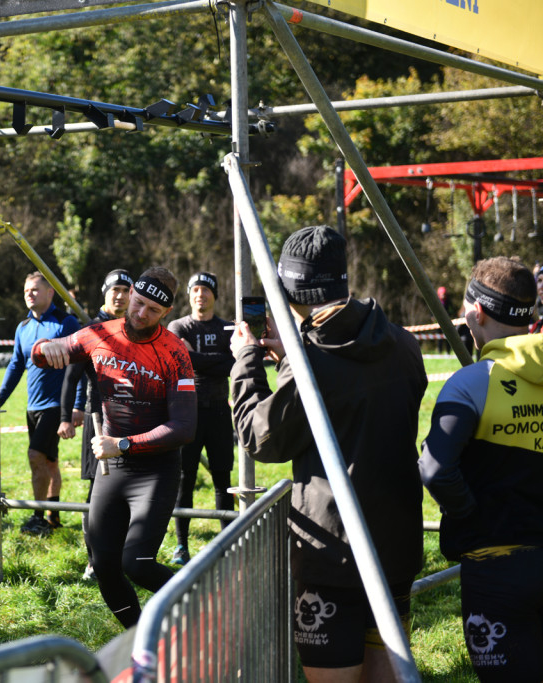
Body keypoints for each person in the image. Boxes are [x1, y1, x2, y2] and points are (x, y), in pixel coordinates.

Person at [230, 225, 426, 682]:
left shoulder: (311, 363)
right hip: (395, 541)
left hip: (331, 547)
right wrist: (291, 361)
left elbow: (260, 439)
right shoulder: (403, 343)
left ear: (288, 287)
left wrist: (247, 359)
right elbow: (354, 400)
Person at [34, 267, 196, 627]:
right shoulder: (98, 333)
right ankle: (140, 639)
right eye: (138, 303)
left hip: (155, 468)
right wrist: (47, 348)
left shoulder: (175, 352)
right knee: (105, 565)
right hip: (114, 470)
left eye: (153, 310)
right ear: (131, 296)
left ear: (166, 313)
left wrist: (122, 443)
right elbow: (43, 355)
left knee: (135, 562)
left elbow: (184, 428)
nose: (141, 314)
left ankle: (201, 603)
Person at [419, 257, 543, 682]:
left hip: (495, 570)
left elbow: (435, 470)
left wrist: (472, 515)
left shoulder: (471, 383)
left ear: (475, 312)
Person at [0, 272, 80, 536]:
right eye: (27, 290)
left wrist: (77, 406)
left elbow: (80, 363)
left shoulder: (66, 322)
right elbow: (16, 366)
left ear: (50, 293)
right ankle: (54, 515)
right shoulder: (23, 327)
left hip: (56, 406)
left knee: (35, 456)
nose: (29, 294)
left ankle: (38, 517)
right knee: (49, 462)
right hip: (33, 407)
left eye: (35, 290)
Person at [58, 268, 132, 578]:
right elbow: (71, 375)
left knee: (129, 490)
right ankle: (94, 561)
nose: (119, 295)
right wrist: (65, 417)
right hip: (98, 419)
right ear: (104, 293)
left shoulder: (137, 329)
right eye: (114, 289)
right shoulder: (92, 330)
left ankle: (125, 557)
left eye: (125, 290)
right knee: (96, 493)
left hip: (131, 419)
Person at [167, 271, 235, 565]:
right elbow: (183, 361)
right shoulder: (177, 326)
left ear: (215, 296)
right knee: (185, 479)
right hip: (187, 411)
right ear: (189, 295)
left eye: (206, 291)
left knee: (223, 478)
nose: (200, 295)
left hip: (220, 409)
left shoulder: (228, 328)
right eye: (195, 290)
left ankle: (229, 543)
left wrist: (198, 360)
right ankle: (181, 546)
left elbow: (232, 364)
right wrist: (213, 361)